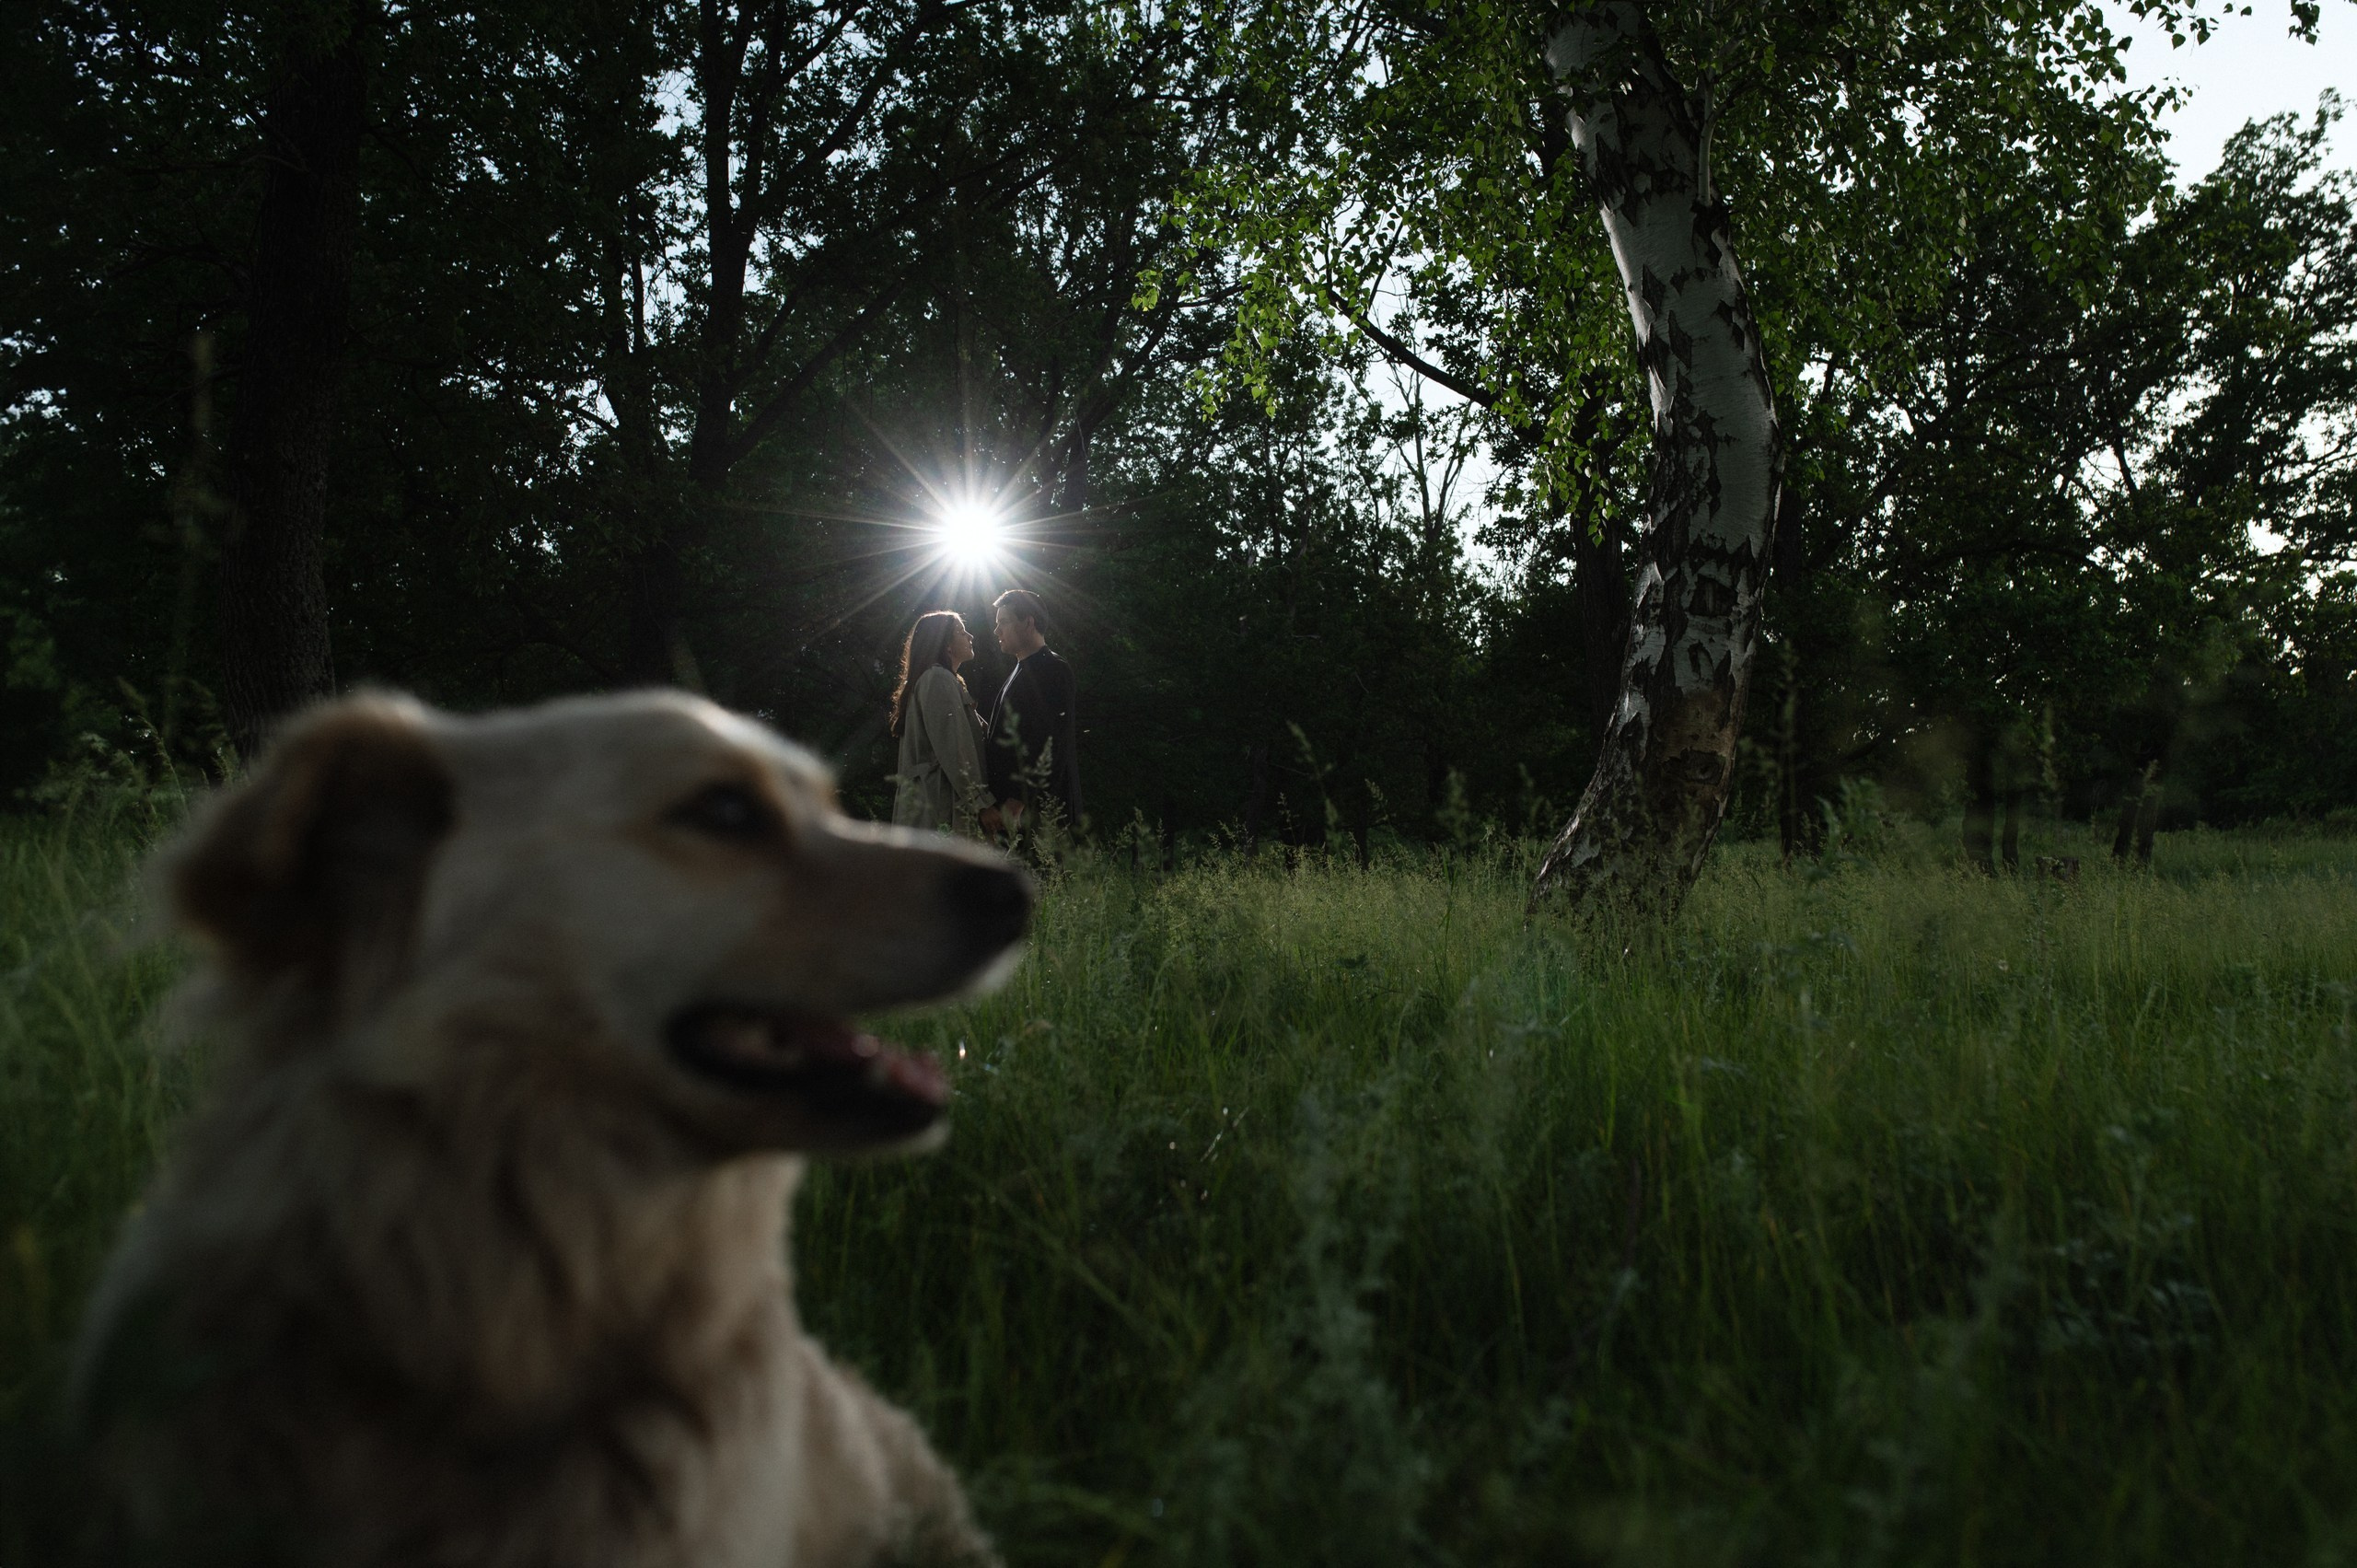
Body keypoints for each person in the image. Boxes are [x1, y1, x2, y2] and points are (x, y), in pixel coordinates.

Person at [983, 587, 1082, 837]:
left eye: (1004, 622)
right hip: (1016, 813)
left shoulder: (1052, 668)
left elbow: (1050, 742)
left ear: (1029, 623)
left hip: (1038, 815)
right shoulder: (1021, 669)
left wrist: (1016, 803)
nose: (997, 631)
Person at [890, 610, 997, 836]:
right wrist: (981, 804)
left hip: (934, 809)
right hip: (940, 810)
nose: (970, 636)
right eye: (961, 631)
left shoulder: (943, 680)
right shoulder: (937, 679)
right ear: (946, 644)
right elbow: (955, 747)